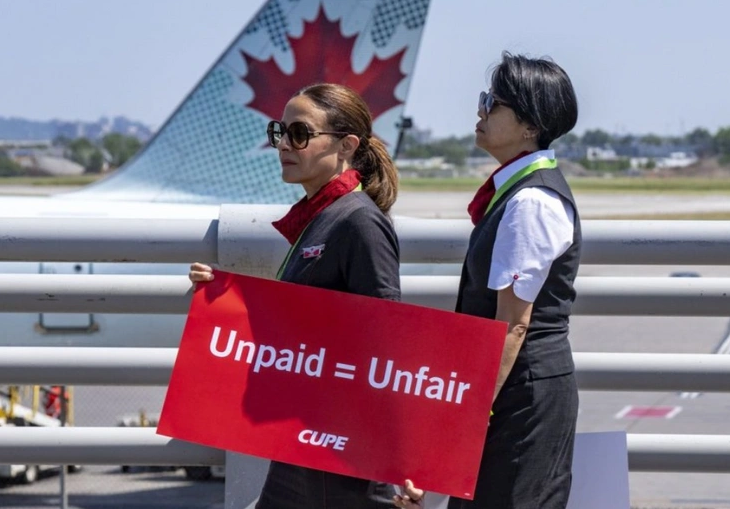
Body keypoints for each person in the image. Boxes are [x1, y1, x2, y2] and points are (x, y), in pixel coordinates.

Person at [190, 83, 401, 508]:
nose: (284, 144)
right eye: (279, 132)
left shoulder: (358, 221)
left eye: (300, 133)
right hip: (308, 438)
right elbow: (303, 322)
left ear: (346, 146)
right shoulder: (321, 217)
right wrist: (227, 298)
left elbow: (389, 339)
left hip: (341, 451)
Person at [395, 52, 581, 509]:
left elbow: (513, 325)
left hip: (520, 395)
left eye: (492, 103)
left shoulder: (532, 201)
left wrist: (465, 415)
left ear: (530, 125)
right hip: (511, 387)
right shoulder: (519, 191)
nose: (479, 111)